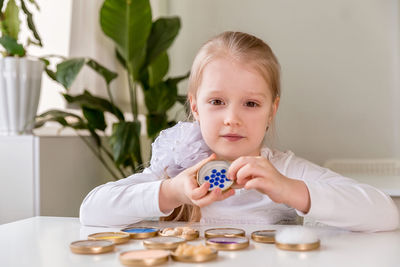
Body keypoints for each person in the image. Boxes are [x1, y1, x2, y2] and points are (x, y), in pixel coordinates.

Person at [80, 31, 399, 231]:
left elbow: (385, 214)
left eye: (250, 104)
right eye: (217, 101)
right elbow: (91, 211)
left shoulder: (284, 170)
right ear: (195, 107)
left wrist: (289, 189)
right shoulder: (175, 166)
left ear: (271, 110)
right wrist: (173, 191)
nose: (232, 118)